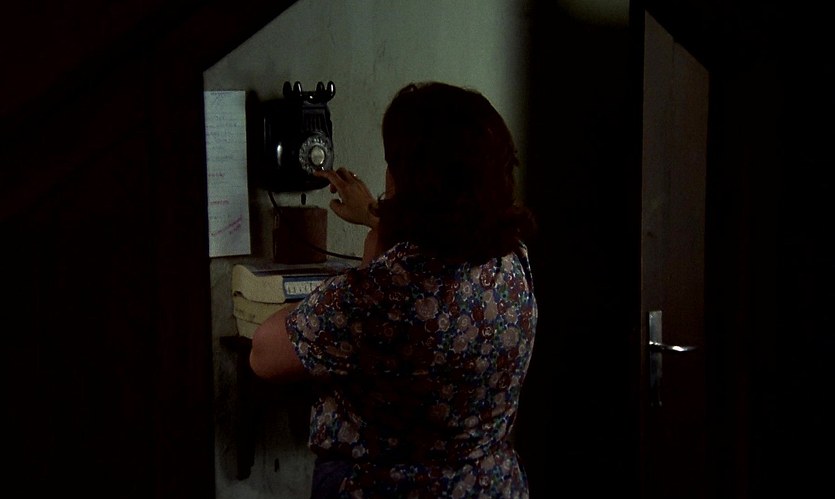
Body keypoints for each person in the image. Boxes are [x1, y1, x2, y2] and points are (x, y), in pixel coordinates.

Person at [249, 81, 538, 498]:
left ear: (409, 180)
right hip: (490, 484)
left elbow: (264, 354)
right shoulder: (512, 260)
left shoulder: (376, 295)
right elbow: (446, 238)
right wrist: (377, 216)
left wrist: (378, 236)